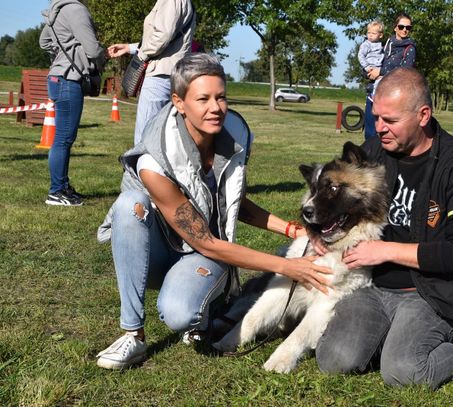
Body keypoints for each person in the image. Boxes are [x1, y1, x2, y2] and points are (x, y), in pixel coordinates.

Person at [95, 53, 332, 370]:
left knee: (180, 313)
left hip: (198, 253)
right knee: (129, 205)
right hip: (158, 252)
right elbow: (206, 241)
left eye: (221, 97)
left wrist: (292, 230)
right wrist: (289, 267)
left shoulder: (235, 132)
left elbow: (233, 204)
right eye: (203, 99)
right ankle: (132, 334)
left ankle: (199, 296)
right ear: (179, 102)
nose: (215, 108)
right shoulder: (153, 160)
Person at [315, 67, 453, 388]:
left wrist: (384, 250)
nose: (379, 128)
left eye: (389, 121)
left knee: (405, 371)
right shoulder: (374, 151)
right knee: (334, 359)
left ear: (423, 115)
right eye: (376, 117)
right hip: (371, 285)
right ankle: (389, 336)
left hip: (430, 293)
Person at [39, 0, 106, 206]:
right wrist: (102, 59)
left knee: (63, 138)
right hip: (68, 78)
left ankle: (62, 186)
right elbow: (93, 50)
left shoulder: (55, 11)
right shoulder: (76, 9)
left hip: (57, 77)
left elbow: (43, 42)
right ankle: (57, 191)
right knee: (64, 138)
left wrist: (63, 51)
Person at [107, 0, 195, 145]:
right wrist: (130, 48)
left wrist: (141, 56)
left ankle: (139, 167)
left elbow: (162, 37)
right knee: (166, 140)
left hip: (159, 76)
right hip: (172, 74)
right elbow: (167, 39)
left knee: (145, 140)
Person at [364, 13, 416, 140]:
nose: (404, 30)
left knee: (387, 135)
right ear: (395, 27)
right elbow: (373, 61)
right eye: (401, 26)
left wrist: (380, 71)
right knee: (370, 134)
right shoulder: (387, 43)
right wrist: (367, 71)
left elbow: (404, 72)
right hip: (373, 95)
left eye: (408, 28)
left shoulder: (410, 48)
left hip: (393, 98)